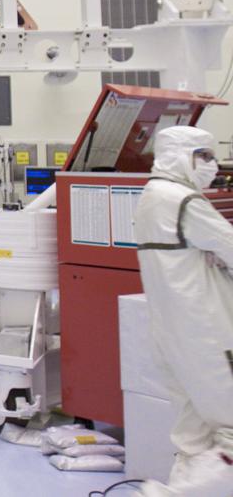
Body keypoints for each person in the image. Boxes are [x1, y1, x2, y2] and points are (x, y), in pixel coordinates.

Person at [134, 126, 233, 497]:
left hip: (174, 334)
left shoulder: (151, 195)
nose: (212, 165)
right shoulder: (183, 199)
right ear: (179, 155)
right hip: (210, 331)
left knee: (194, 434)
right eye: (203, 156)